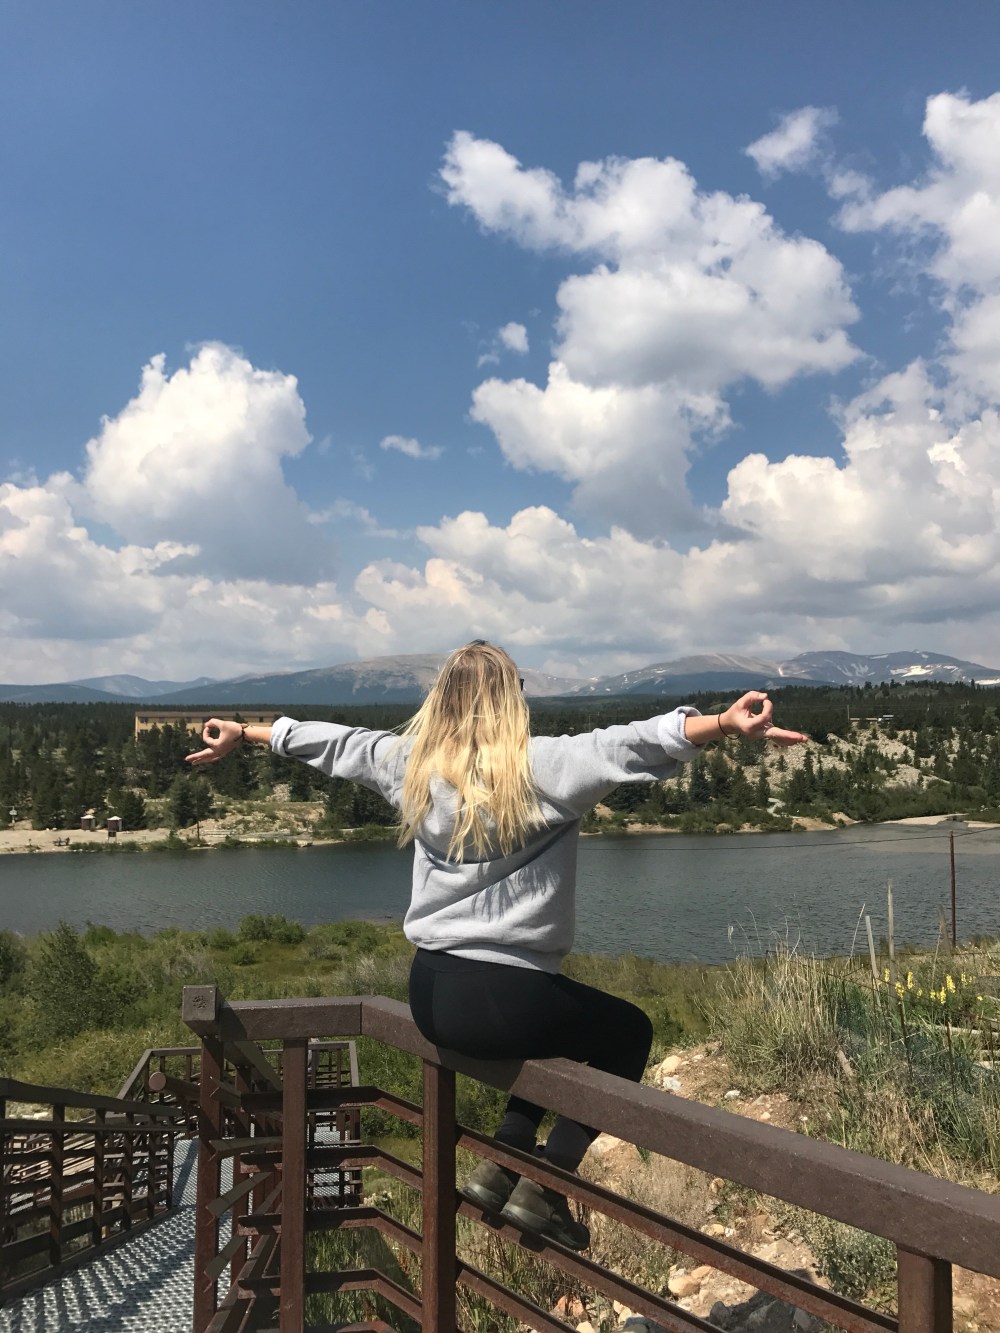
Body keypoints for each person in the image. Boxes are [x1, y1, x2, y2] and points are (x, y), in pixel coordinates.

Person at [187, 640, 807, 1249]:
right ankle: (550, 1182)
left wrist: (246, 732)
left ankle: (505, 1159)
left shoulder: (411, 764)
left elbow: (337, 743)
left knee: (559, 1028)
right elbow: (631, 743)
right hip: (507, 1000)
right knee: (627, 1033)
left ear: (442, 700)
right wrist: (723, 723)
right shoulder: (544, 766)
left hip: (431, 992)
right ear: (512, 699)